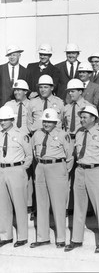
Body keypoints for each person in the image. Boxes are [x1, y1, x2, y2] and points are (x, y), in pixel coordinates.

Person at [65, 105, 99, 253]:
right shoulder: (79, 133)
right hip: (80, 171)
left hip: (97, 171)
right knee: (79, 206)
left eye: (85, 117)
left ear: (94, 118)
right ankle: (76, 239)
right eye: (81, 117)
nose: (81, 119)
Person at [30, 108, 74, 249]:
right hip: (41, 167)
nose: (47, 124)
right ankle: (43, 237)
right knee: (42, 204)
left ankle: (61, 238)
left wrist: (63, 172)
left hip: (57, 167)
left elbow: (70, 156)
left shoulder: (63, 135)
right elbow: (33, 152)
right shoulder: (37, 134)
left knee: (58, 204)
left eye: (50, 121)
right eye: (45, 121)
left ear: (56, 122)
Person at [0, 106, 32, 248]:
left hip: (16, 170)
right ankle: (5, 235)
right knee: (3, 206)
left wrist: (21, 169)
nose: (2, 122)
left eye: (5, 120)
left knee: (19, 204)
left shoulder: (21, 134)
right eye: (1, 120)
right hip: (2, 171)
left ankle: (22, 236)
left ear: (12, 120)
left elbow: (29, 155)